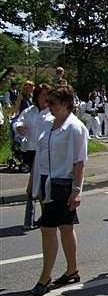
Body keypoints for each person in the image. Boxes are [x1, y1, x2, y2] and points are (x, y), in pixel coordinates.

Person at [27, 85, 89, 296]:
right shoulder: (47, 123)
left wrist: (77, 190)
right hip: (45, 181)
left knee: (47, 229)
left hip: (62, 184)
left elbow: (80, 162)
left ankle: (45, 277)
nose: (48, 106)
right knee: (64, 226)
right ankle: (72, 270)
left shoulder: (76, 127)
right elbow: (40, 155)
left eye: (52, 102)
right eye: (47, 102)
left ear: (65, 104)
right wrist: (32, 181)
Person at [14, 84, 52, 229]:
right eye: (42, 95)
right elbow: (18, 121)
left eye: (47, 95)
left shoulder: (52, 113)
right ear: (37, 96)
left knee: (38, 185)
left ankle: (42, 216)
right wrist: (19, 128)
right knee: (36, 185)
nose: (45, 98)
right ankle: (38, 216)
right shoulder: (30, 111)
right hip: (30, 150)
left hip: (45, 153)